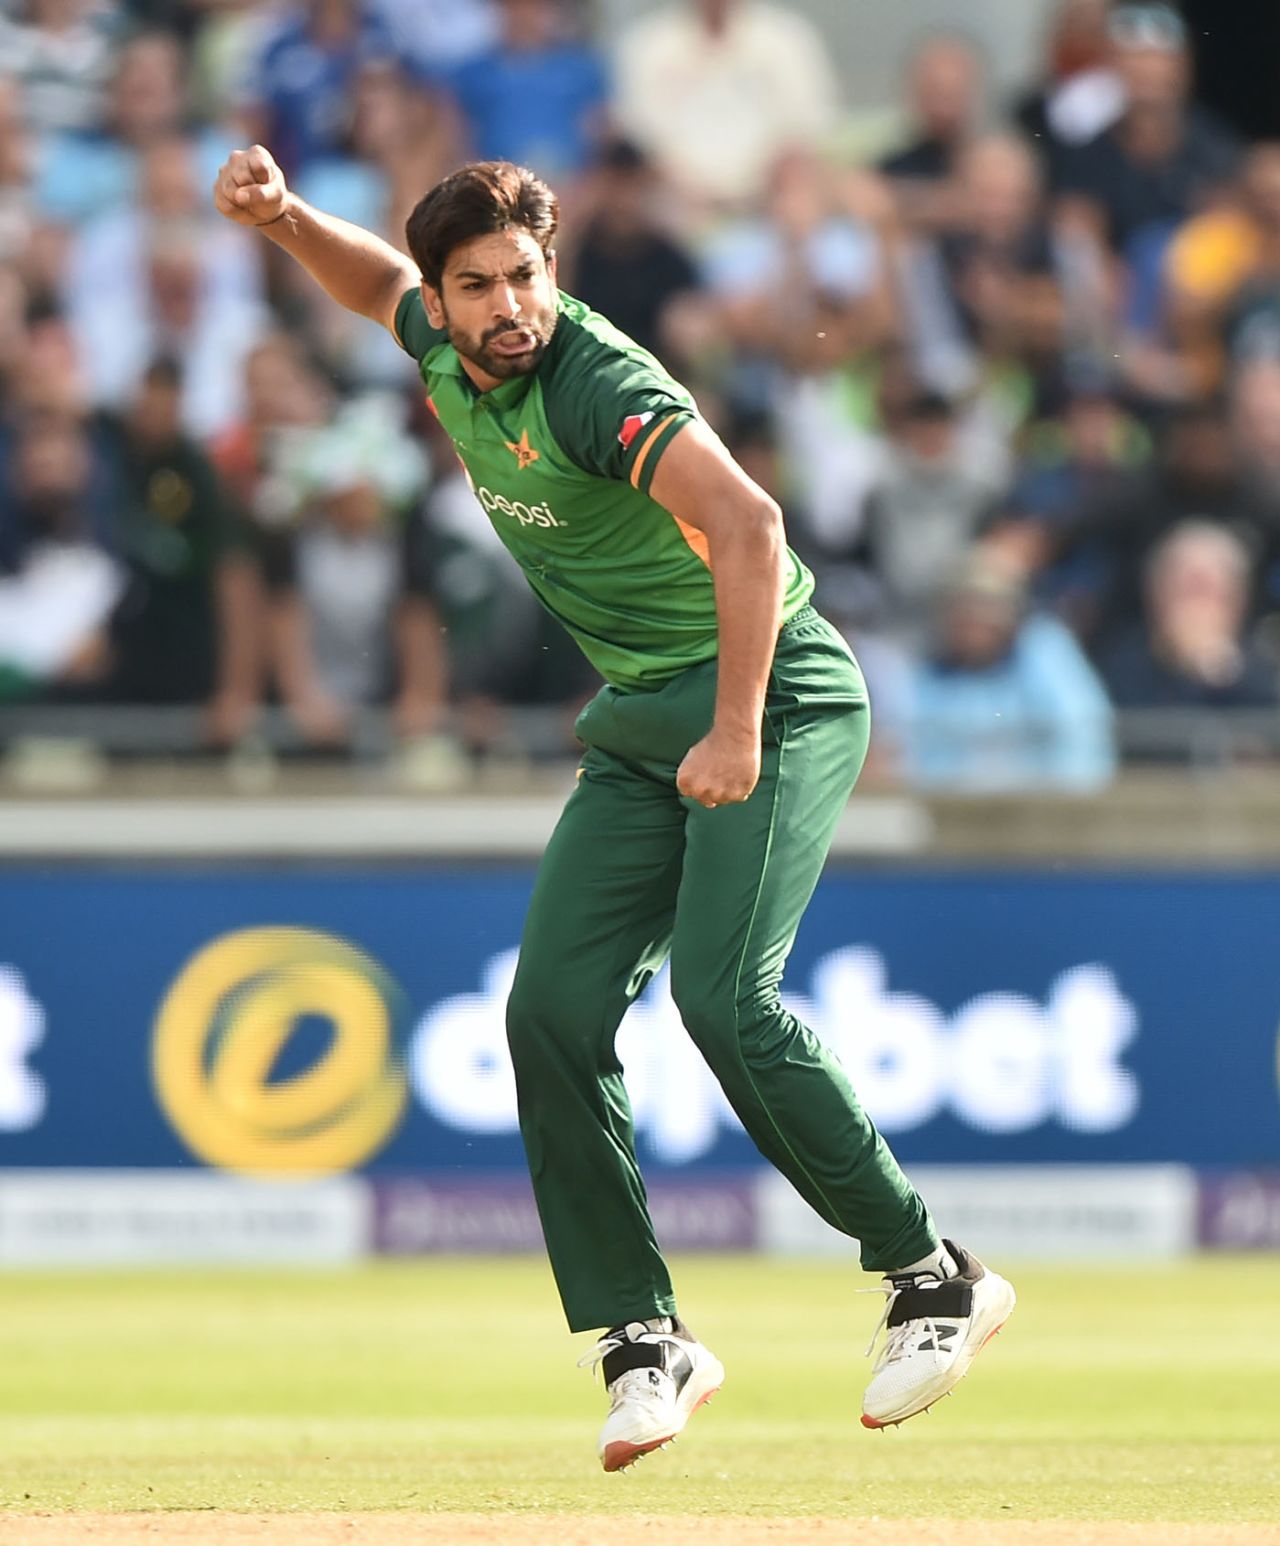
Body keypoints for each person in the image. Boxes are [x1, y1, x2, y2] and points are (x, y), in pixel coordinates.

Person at [213, 143, 1016, 1469]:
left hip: (779, 695)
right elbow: (376, 287)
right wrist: (287, 214)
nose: (508, 307)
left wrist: (740, 724)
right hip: (648, 718)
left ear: (549, 268)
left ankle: (934, 1277)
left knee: (723, 995)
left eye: (526, 276)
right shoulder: (438, 331)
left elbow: (753, 527)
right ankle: (647, 1340)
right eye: (479, 286)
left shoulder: (596, 383)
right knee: (551, 1011)